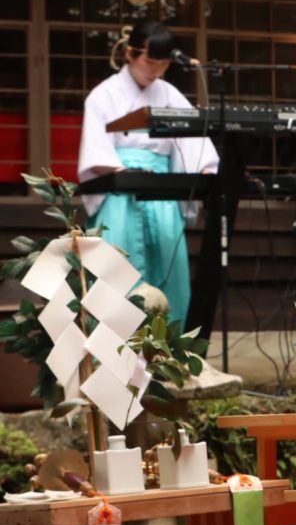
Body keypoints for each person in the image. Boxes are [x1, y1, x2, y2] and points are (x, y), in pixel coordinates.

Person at [77, 20, 218, 326]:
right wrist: (124, 169)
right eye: (149, 62)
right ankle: (112, 352)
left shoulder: (170, 94)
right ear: (130, 53)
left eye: (163, 65)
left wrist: (205, 168)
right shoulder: (103, 95)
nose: (155, 71)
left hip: (163, 191)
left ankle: (172, 352)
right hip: (118, 192)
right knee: (117, 264)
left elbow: (192, 143)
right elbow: (96, 151)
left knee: (169, 262)